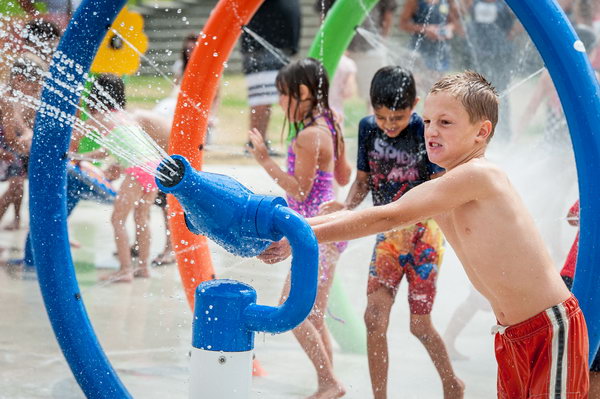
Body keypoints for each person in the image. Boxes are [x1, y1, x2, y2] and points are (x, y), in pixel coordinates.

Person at [260, 71, 589, 398]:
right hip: (510, 334)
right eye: (428, 121)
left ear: (481, 132)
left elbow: (388, 214)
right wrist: (294, 229)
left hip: (548, 328)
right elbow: (380, 214)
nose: (430, 130)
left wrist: (297, 237)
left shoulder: (479, 175)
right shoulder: (445, 183)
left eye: (445, 123)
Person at [320, 66, 463, 399]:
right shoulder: (368, 129)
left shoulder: (425, 132)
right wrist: (346, 207)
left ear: (415, 104)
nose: (389, 125)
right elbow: (363, 181)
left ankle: (451, 382)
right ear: (372, 108)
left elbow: (438, 188)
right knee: (374, 318)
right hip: (388, 236)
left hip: (424, 237)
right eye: (382, 117)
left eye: (397, 118)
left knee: (419, 326)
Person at [247, 58, 352, 399]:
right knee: (315, 315)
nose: (279, 102)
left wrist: (264, 159)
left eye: (282, 94)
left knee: (293, 311)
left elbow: (299, 190)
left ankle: (329, 382)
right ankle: (329, 382)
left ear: (303, 92)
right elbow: (343, 177)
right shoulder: (332, 121)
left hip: (312, 235)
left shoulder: (308, 136)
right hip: (330, 231)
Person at [73, 74, 170, 282]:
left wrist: (73, 155)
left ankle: (125, 270)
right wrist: (82, 157)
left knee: (117, 219)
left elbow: (75, 137)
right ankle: (143, 268)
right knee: (141, 219)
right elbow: (107, 152)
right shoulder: (125, 116)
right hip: (154, 169)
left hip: (137, 171)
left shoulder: (97, 119)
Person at [241, 0, 301, 155]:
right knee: (261, 98)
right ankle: (254, 142)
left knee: (268, 98)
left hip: (277, 46)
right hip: (262, 47)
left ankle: (260, 141)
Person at [316, 0, 397, 112]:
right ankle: (333, 125)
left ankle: (375, 127)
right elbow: (323, 16)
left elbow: (388, 12)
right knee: (332, 97)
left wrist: (382, 40)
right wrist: (334, 45)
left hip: (370, 49)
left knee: (377, 96)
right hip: (340, 51)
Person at [0, 54, 47, 231]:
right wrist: (30, 149)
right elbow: (12, 138)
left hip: (8, 150)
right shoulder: (4, 98)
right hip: (5, 148)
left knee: (17, 186)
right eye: (34, 88)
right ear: (19, 80)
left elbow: (22, 127)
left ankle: (16, 219)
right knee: (16, 186)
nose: (35, 93)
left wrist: (29, 136)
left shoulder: (10, 97)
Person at [559, 199, 600, 398]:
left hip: (576, 275)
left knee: (566, 357)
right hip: (575, 275)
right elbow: (571, 216)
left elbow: (572, 217)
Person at [399, 0, 459, 94]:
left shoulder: (448, 1)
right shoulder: (414, 1)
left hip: (440, 51)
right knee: (416, 87)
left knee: (435, 89)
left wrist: (448, 29)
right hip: (419, 51)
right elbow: (403, 24)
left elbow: (454, 22)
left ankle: (430, 108)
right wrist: (425, 29)